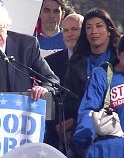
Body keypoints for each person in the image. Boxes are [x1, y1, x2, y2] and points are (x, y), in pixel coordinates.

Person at [63, 8, 121, 156]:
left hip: (116, 130)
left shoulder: (121, 59)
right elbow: (69, 98)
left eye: (99, 25)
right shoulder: (76, 61)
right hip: (84, 132)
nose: (93, 31)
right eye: (89, 27)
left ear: (109, 30)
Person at [43, 13, 83, 152]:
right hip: (55, 137)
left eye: (74, 29)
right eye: (65, 30)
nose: (69, 34)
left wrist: (73, 122)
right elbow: (47, 100)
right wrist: (57, 126)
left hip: (86, 133)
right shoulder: (50, 62)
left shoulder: (94, 62)